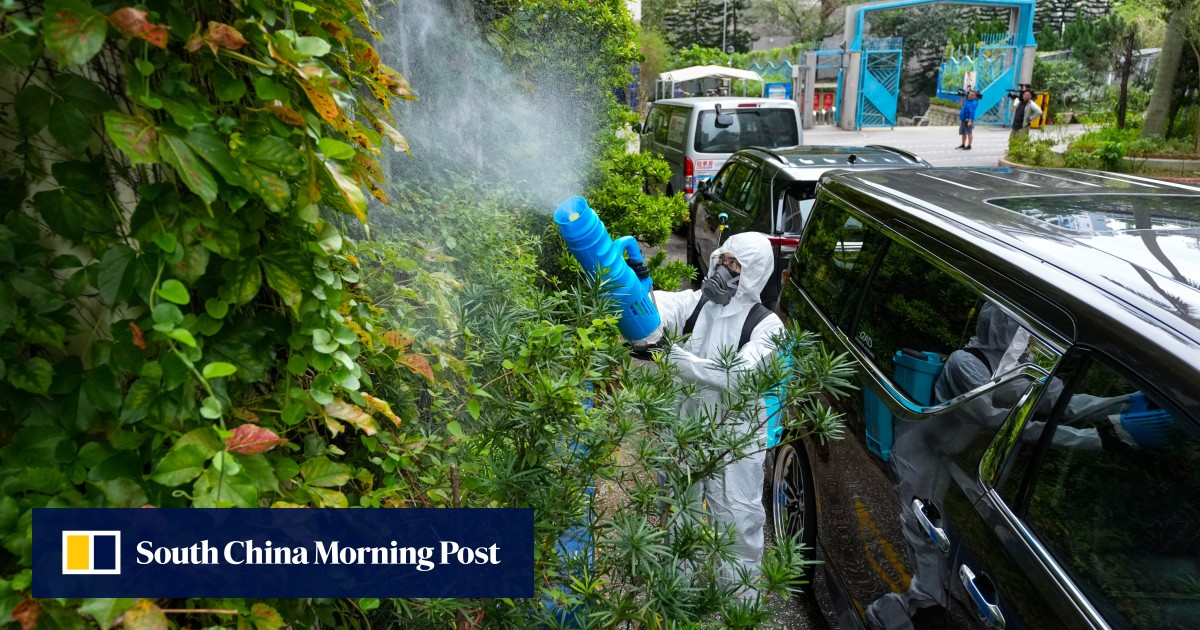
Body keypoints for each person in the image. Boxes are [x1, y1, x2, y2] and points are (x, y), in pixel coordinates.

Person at [629, 232, 783, 601]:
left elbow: (737, 375)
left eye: (736, 266)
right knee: (679, 514)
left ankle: (741, 606)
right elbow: (656, 312)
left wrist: (672, 356)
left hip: (735, 442)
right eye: (723, 260)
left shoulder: (767, 326)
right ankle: (677, 598)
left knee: (738, 522)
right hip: (685, 432)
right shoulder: (697, 304)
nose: (725, 271)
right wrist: (636, 289)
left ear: (755, 274)